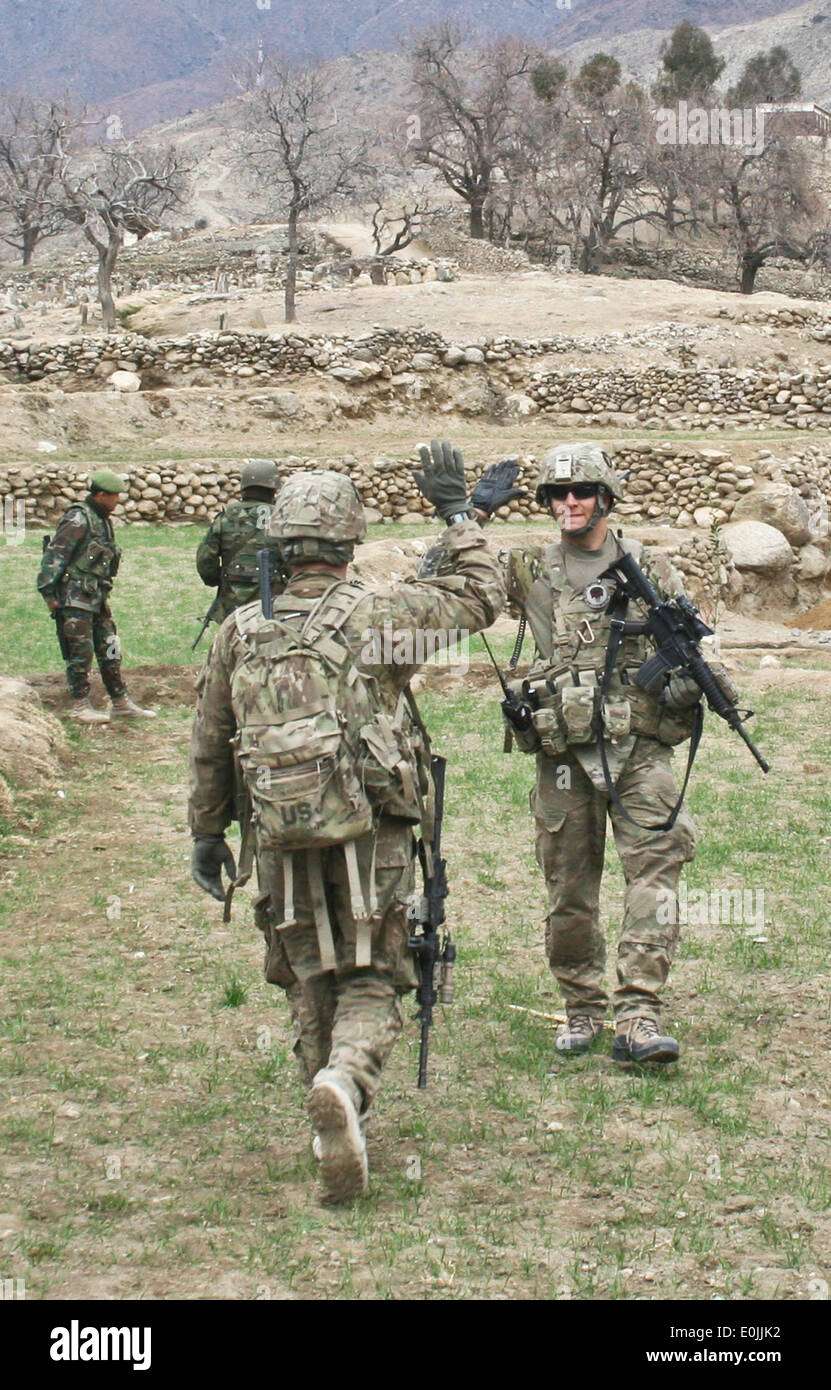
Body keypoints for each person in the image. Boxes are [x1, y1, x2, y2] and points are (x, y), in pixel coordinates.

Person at [188, 447, 507, 1201]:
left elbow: (209, 738)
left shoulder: (238, 630)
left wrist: (207, 833)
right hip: (373, 834)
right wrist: (460, 515)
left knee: (307, 969)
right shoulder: (382, 619)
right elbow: (479, 594)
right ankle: (344, 1080)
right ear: (349, 539)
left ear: (282, 540)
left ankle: (326, 1113)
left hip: (277, 834)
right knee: (373, 971)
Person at [498, 442, 736, 1064]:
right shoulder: (529, 567)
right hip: (565, 756)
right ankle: (581, 1008)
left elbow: (690, 640)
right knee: (570, 889)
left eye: (580, 492)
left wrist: (688, 680)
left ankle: (638, 1015)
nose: (567, 503)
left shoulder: (648, 565)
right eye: (555, 493)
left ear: (605, 497)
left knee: (655, 876)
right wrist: (464, 516)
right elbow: (446, 588)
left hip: (641, 751)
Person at [37, 469, 155, 723]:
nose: (118, 501)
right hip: (74, 598)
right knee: (80, 652)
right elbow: (54, 557)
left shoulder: (102, 520)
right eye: (114, 496)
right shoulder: (78, 519)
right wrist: (49, 594)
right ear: (100, 495)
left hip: (96, 597)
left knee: (111, 647)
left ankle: (120, 701)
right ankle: (80, 705)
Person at [195, 458, 285, 624]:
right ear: (273, 489)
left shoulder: (226, 515)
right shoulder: (282, 517)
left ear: (244, 488)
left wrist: (216, 579)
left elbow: (205, 559)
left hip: (232, 600)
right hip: (273, 599)